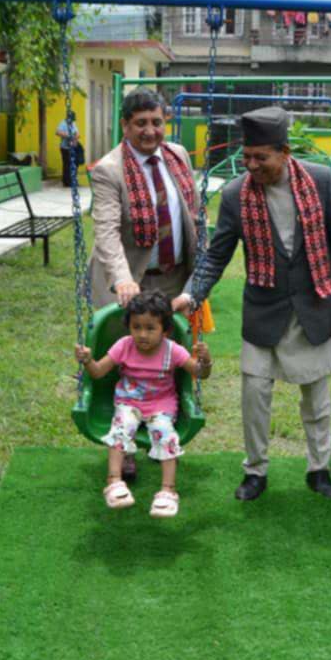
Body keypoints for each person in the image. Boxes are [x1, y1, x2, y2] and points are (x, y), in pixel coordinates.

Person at [172, 107, 331, 502]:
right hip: (264, 309)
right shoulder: (234, 194)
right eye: (248, 157)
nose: (253, 165)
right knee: (254, 394)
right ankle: (255, 471)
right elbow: (217, 254)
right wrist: (194, 292)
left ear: (285, 152)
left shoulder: (322, 181)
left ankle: (317, 468)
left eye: (262, 157)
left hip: (314, 305)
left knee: (316, 397)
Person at [88, 89, 200, 483]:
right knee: (128, 363)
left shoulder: (177, 156)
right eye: (141, 124)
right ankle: (125, 447)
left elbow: (191, 212)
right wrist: (121, 279)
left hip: (172, 277)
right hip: (131, 284)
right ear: (125, 125)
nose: (150, 131)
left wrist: (196, 271)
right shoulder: (109, 169)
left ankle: (163, 428)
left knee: (167, 359)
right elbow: (105, 231)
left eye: (157, 122)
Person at [74, 290, 212, 518]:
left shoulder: (172, 350)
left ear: (165, 330)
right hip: (128, 403)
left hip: (161, 406)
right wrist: (88, 360)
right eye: (136, 327)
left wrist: (205, 360)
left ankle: (168, 492)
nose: (142, 334)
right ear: (129, 327)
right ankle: (114, 482)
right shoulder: (124, 346)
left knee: (165, 434)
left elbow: (200, 373)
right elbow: (98, 372)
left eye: (150, 328)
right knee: (120, 428)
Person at [56, 115, 84, 189]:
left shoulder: (73, 124)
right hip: (65, 148)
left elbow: (77, 133)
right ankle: (67, 182)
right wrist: (68, 135)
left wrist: (75, 137)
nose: (72, 121)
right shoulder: (63, 123)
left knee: (74, 164)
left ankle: (73, 181)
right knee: (67, 165)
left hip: (73, 146)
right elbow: (58, 132)